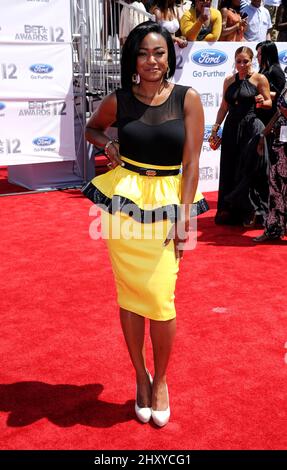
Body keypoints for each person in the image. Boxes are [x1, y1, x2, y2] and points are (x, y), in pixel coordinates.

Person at [82, 21, 207, 427]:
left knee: (160, 297)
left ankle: (162, 380)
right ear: (133, 59)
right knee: (131, 294)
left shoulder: (188, 99)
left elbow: (191, 164)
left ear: (170, 55)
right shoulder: (120, 99)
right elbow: (92, 128)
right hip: (124, 208)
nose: (152, 61)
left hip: (168, 205)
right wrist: (109, 144)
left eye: (159, 53)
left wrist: (185, 216)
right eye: (143, 54)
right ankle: (140, 375)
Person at [211, 46, 272, 226]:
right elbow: (224, 107)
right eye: (238, 61)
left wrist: (262, 102)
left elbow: (269, 102)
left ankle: (252, 211)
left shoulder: (260, 78)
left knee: (249, 168)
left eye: (245, 61)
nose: (242, 64)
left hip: (251, 127)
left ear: (252, 60)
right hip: (231, 128)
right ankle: (230, 209)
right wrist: (215, 127)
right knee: (230, 167)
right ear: (235, 61)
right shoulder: (229, 80)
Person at [253, 88, 287, 242]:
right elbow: (278, 113)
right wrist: (263, 134)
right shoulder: (286, 87)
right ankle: (273, 230)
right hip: (279, 149)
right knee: (275, 192)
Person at [255, 41, 286, 127]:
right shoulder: (262, 70)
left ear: (268, 55)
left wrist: (260, 93)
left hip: (272, 117)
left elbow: (282, 96)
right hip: (261, 114)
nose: (257, 57)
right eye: (257, 54)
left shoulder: (276, 71)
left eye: (260, 54)